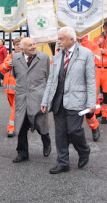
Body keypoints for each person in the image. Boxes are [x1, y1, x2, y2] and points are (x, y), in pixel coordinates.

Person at [41, 27, 96, 174]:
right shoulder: (58, 56)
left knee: (74, 130)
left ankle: (84, 150)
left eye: (61, 39)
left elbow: (91, 80)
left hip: (76, 100)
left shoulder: (86, 54)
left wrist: (91, 103)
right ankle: (63, 162)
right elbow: (51, 80)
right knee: (60, 133)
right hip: (58, 100)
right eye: (58, 39)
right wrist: (45, 101)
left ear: (72, 40)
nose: (58, 42)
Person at [11, 37, 51, 163]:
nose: (33, 47)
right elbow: (15, 75)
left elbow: (49, 78)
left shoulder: (44, 58)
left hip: (38, 98)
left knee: (40, 124)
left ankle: (46, 141)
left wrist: (46, 98)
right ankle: (22, 153)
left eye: (34, 44)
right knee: (22, 126)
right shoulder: (16, 58)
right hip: (22, 98)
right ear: (22, 49)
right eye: (29, 46)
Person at [76, 34, 101, 142]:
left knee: (89, 110)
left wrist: (82, 51)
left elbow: (97, 60)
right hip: (73, 82)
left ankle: (94, 127)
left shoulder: (92, 45)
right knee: (73, 111)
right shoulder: (69, 44)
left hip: (87, 82)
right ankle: (74, 133)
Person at [0, 37, 22, 137]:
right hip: (8, 89)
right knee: (15, 108)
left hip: (18, 88)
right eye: (17, 45)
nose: (19, 47)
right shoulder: (10, 56)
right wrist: (7, 65)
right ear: (14, 46)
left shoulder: (26, 57)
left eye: (21, 45)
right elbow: (1, 70)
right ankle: (25, 123)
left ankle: (11, 128)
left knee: (15, 109)